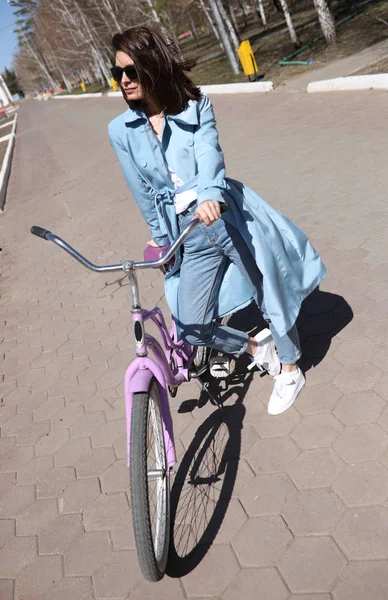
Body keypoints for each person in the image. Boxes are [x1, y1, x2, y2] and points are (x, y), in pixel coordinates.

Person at [108, 27, 326, 415]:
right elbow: (141, 191)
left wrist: (209, 194)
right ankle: (258, 347)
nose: (123, 80)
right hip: (185, 234)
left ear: (152, 65)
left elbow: (209, 152)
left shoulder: (195, 105)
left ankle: (291, 367)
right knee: (190, 325)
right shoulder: (121, 131)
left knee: (268, 291)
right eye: (117, 73)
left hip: (225, 215)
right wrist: (162, 241)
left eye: (131, 71)